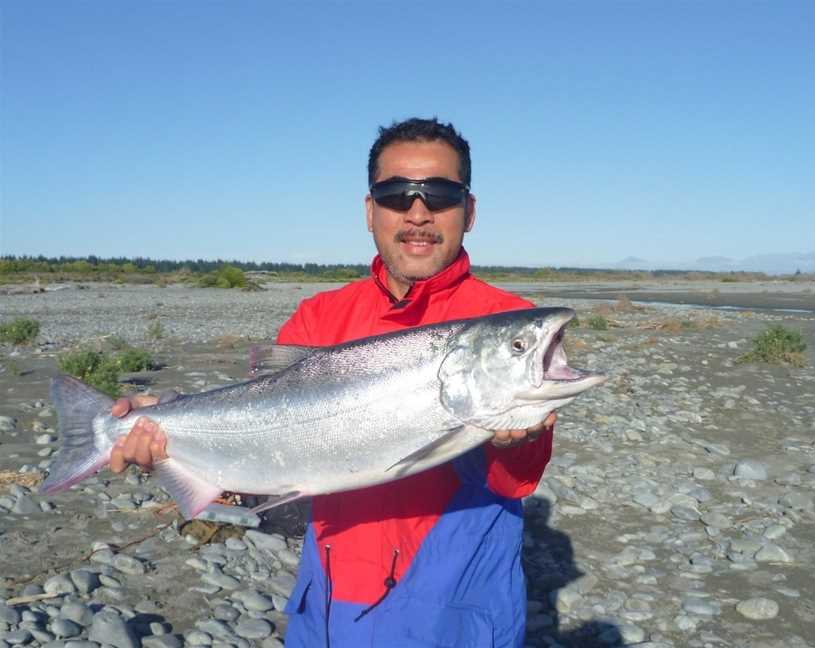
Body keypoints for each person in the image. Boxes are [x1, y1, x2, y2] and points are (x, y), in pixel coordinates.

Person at [110, 117, 556, 647]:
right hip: (325, 595)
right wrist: (167, 427)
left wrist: (520, 438)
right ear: (370, 211)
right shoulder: (319, 317)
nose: (418, 213)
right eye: (396, 195)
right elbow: (260, 457)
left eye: (439, 193)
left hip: (452, 605)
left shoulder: (507, 322)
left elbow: (517, 479)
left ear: (470, 210)